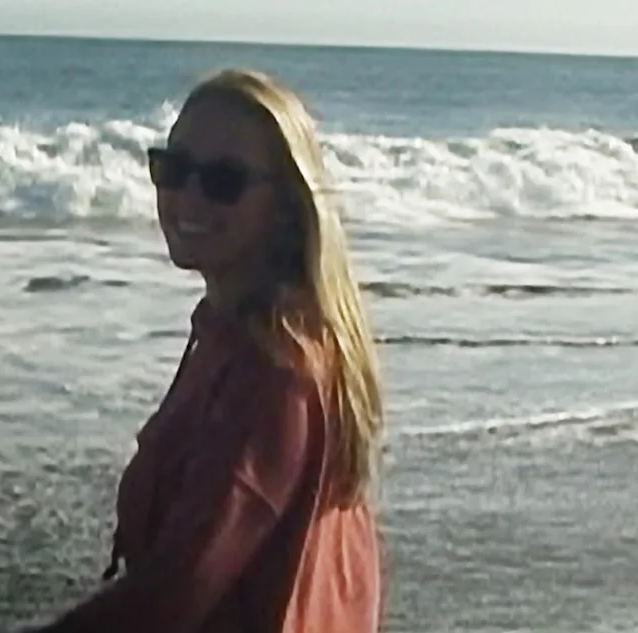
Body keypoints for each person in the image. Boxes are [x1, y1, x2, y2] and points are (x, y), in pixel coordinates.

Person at [24, 68, 386, 633]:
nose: (187, 196)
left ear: (286, 205)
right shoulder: (242, 331)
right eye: (173, 169)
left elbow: (179, 590)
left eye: (223, 180)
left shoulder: (276, 367)